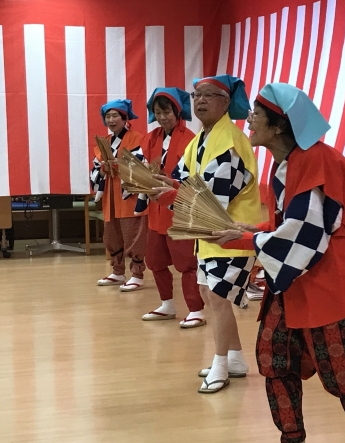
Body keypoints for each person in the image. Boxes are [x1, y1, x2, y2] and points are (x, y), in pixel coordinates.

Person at [210, 83, 345, 443]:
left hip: (328, 285)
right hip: (294, 281)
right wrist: (250, 230)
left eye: (257, 114)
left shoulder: (316, 161)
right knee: (274, 359)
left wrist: (245, 239)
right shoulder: (290, 163)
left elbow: (305, 235)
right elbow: (292, 226)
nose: (249, 120)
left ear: (279, 125)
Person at [152, 75, 260, 393]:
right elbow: (186, 178)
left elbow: (214, 198)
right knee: (210, 295)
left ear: (225, 103)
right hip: (211, 233)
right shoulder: (201, 138)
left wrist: (171, 194)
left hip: (234, 234)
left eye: (209, 95)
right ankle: (235, 358)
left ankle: (221, 365)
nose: (200, 100)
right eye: (196, 94)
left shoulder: (231, 142)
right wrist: (165, 182)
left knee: (218, 298)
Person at [140, 87, 205, 326]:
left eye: (166, 112)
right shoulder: (151, 138)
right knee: (154, 260)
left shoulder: (191, 138)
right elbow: (143, 164)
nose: (162, 117)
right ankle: (167, 304)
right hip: (156, 209)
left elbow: (194, 176)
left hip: (180, 208)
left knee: (186, 262)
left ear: (177, 111)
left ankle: (196, 309)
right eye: (158, 112)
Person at [91, 99, 148, 292]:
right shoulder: (105, 142)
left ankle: (137, 274)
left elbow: (142, 165)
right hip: (110, 194)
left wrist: (119, 164)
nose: (111, 120)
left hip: (129, 195)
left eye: (115, 115)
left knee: (133, 233)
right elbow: (95, 168)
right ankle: (117, 271)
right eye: (107, 116)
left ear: (125, 118)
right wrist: (102, 168)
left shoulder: (137, 139)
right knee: (111, 233)